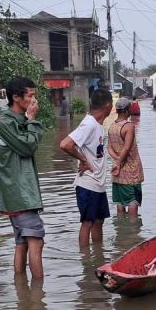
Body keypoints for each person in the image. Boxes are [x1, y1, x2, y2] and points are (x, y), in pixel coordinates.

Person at [0, 77, 45, 278]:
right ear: (16, 97)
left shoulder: (16, 120)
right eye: (30, 95)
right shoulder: (4, 122)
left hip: (20, 192)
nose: (33, 100)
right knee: (36, 241)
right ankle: (39, 298)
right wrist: (31, 120)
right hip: (19, 193)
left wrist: (29, 120)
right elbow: (27, 147)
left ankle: (24, 295)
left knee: (22, 243)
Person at [59, 90, 114, 246]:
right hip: (88, 184)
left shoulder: (97, 125)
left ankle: (98, 256)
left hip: (98, 184)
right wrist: (83, 160)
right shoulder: (89, 123)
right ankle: (85, 262)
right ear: (108, 105)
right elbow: (65, 144)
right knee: (87, 223)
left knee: (98, 221)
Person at [108, 98, 145, 219]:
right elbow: (127, 147)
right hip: (131, 171)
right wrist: (119, 162)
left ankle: (122, 233)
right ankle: (133, 233)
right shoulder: (128, 126)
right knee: (133, 201)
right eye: (130, 108)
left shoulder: (112, 126)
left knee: (120, 202)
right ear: (126, 111)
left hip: (117, 173)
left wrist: (117, 161)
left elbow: (109, 148)